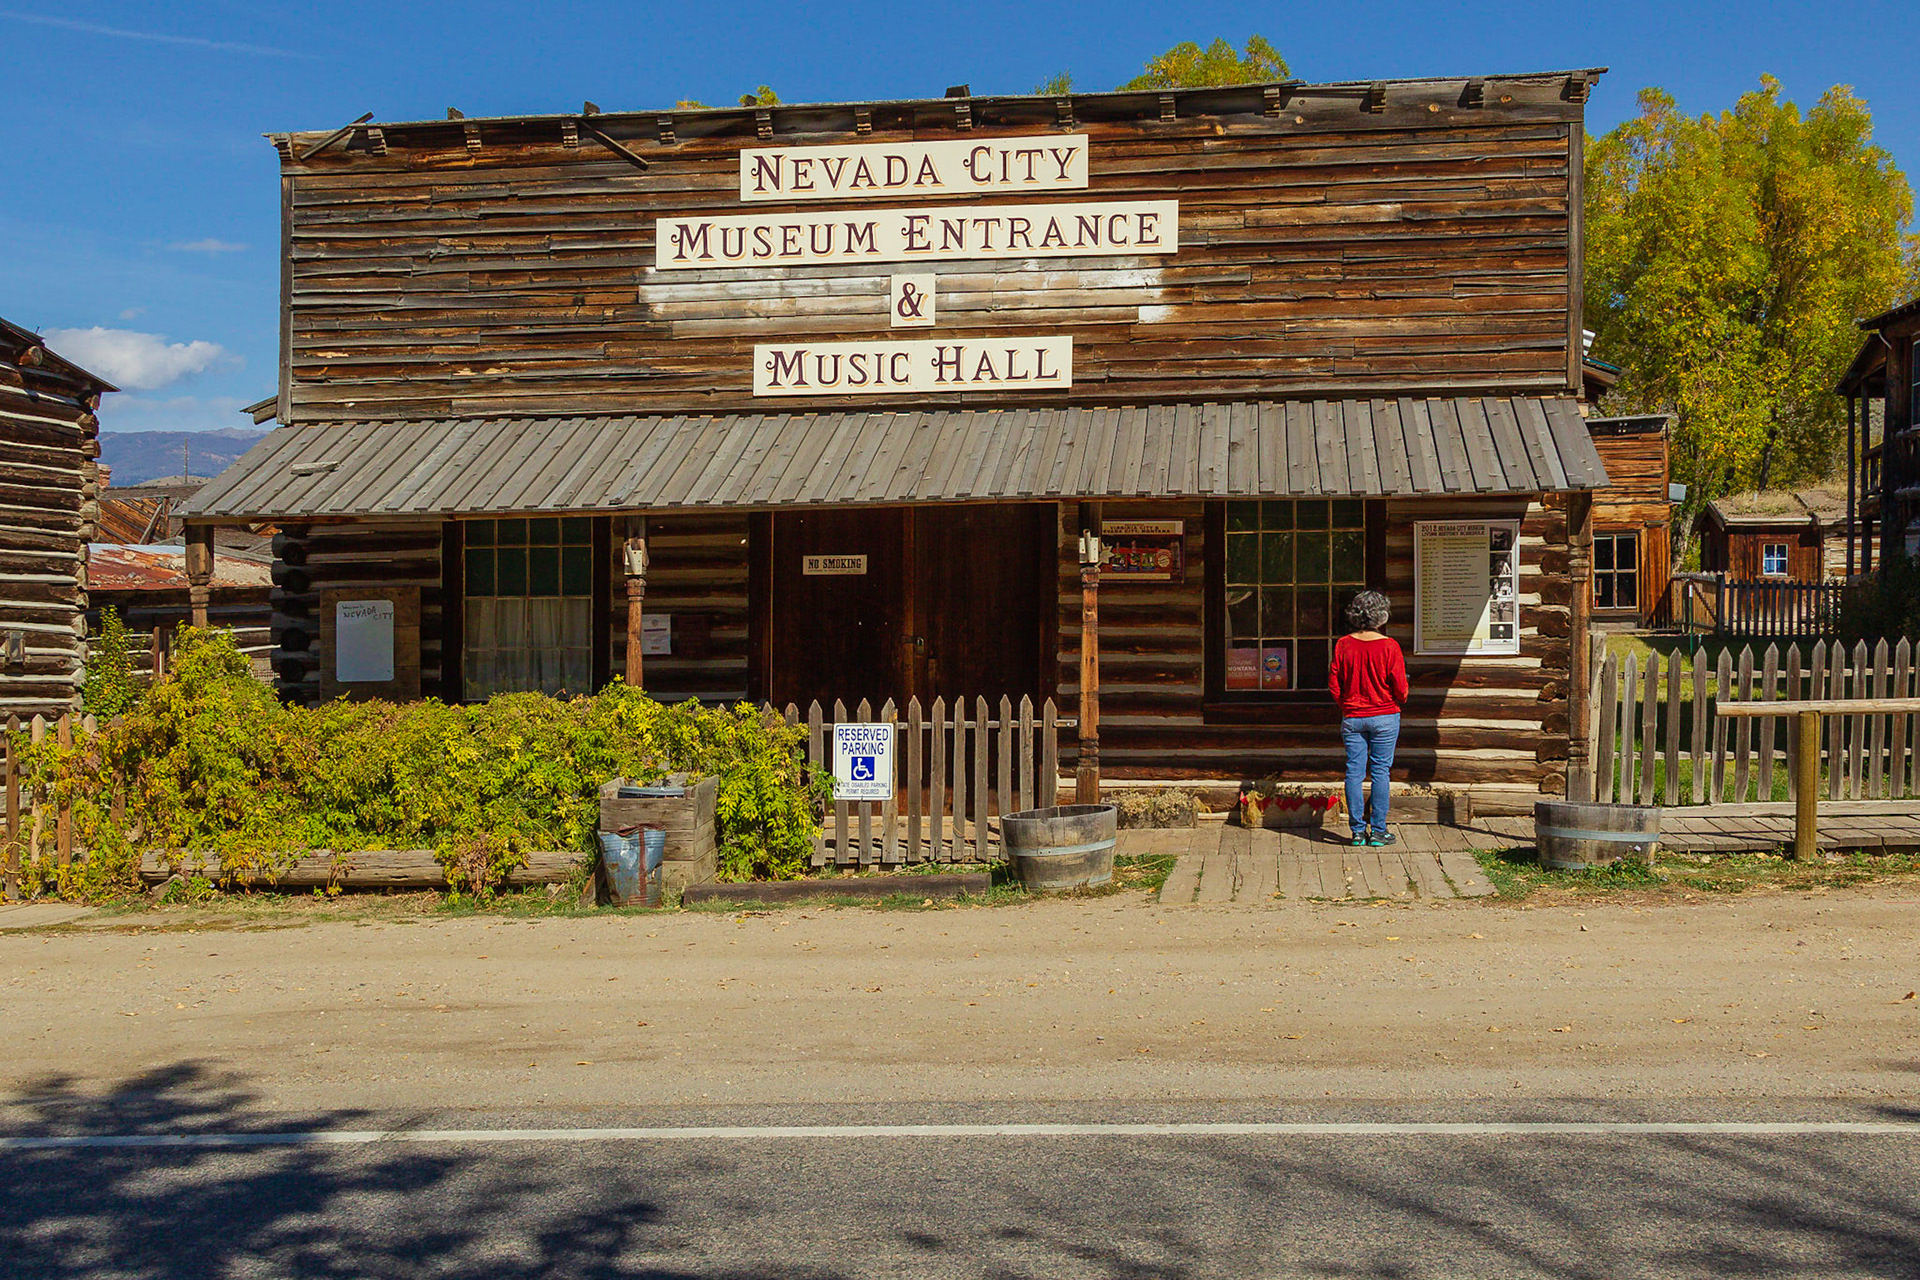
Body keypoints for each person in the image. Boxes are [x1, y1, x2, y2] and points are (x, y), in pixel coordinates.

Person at [1328, 590, 1408, 847]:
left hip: (1353, 716)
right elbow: (1400, 685)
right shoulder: (1389, 645)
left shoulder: (1343, 644)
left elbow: (1334, 683)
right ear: (1381, 615)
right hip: (1385, 714)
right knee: (1380, 772)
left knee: (1354, 772)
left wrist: (1346, 705)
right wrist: (1398, 699)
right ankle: (1378, 830)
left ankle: (1357, 832)